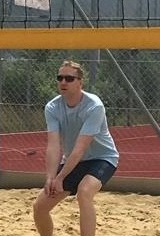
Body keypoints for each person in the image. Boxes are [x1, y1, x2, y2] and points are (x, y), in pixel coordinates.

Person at [32, 60, 119, 236]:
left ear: (80, 82)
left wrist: (61, 177)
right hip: (73, 161)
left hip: (102, 158)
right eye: (60, 78)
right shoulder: (52, 107)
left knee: (84, 192)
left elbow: (80, 148)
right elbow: (54, 145)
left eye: (69, 78)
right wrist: (50, 177)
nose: (63, 82)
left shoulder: (94, 106)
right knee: (40, 207)